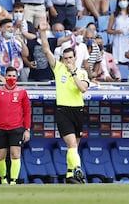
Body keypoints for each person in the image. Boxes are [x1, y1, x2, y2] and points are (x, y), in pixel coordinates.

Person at [39, 17, 89, 184]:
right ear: (61, 59)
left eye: (70, 58)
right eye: (65, 58)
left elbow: (82, 89)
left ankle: (69, 175)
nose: (68, 61)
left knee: (74, 145)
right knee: (72, 143)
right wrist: (42, 31)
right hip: (63, 110)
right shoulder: (58, 68)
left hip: (78, 110)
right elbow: (46, 50)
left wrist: (73, 73)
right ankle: (78, 170)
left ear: (75, 58)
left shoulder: (81, 73)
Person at [0, 66, 31, 185]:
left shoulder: (22, 92)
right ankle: (2, 179)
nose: (11, 78)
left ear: (16, 78)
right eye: (9, 75)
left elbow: (27, 112)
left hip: (16, 128)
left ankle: (13, 181)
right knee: (0, 156)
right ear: (5, 77)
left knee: (15, 154)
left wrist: (27, 129)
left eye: (13, 76)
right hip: (0, 128)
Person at [107, 0, 129, 65]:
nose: (122, 2)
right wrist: (116, 31)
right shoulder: (114, 15)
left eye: (124, 0)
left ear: (128, 2)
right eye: (120, 0)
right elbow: (108, 30)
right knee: (117, 62)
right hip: (118, 41)